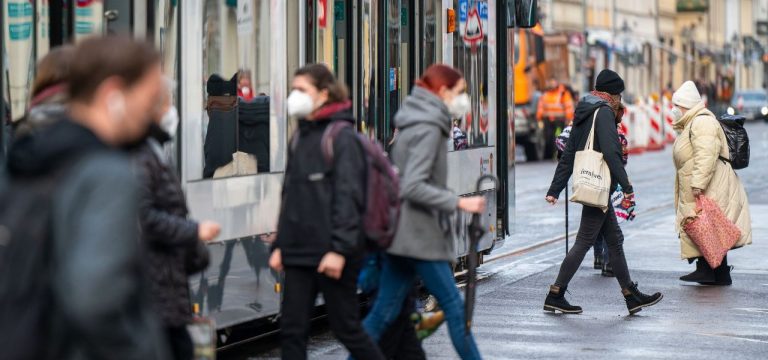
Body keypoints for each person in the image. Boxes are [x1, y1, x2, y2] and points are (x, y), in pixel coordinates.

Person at [0, 36, 168, 359]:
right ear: (112, 94)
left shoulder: (27, 157)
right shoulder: (108, 174)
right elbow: (93, 296)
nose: (154, 114)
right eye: (149, 99)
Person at [361, 64, 485, 360]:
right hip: (420, 236)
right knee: (455, 309)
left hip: (401, 235)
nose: (462, 99)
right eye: (459, 92)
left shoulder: (413, 120)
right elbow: (412, 185)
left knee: (383, 314)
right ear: (443, 92)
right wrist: (458, 202)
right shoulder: (430, 127)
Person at [268, 64, 384, 360]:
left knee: (346, 328)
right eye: (293, 89)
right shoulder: (299, 136)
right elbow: (290, 195)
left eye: (301, 90)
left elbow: (349, 197)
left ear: (323, 94)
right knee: (292, 332)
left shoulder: (341, 136)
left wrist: (340, 249)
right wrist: (281, 244)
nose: (295, 96)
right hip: (299, 251)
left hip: (333, 252)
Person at [544, 69, 663, 315]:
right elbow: (611, 152)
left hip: (594, 187)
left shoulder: (584, 110)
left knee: (615, 241)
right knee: (585, 241)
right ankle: (555, 293)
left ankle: (631, 295)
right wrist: (627, 186)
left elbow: (569, 153)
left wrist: (555, 189)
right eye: (619, 94)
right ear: (613, 94)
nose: (620, 99)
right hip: (599, 187)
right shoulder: (605, 112)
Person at [131, 78, 220, 359]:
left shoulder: (156, 152)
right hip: (155, 281)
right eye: (168, 103)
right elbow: (145, 217)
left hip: (167, 282)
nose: (173, 110)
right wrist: (194, 232)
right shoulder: (143, 156)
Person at [670, 81, 752, 286]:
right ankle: (719, 274)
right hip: (708, 181)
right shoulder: (694, 121)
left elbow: (706, 154)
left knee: (705, 224)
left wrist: (697, 183)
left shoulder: (701, 122)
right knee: (711, 226)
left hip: (710, 183)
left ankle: (708, 271)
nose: (673, 110)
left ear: (686, 105)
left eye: (677, 106)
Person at [537, 78, 575, 159]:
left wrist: (569, 119)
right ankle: (551, 153)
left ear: (556, 83)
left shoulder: (563, 93)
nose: (551, 85)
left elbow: (568, 107)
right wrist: (539, 117)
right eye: (550, 83)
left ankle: (557, 153)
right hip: (547, 120)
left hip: (559, 120)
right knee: (548, 137)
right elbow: (541, 106)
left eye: (553, 83)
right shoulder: (545, 94)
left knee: (557, 136)